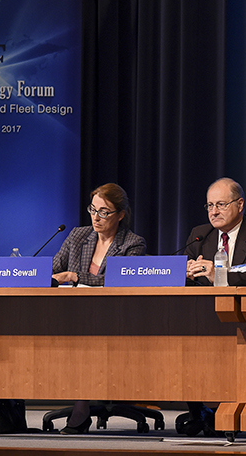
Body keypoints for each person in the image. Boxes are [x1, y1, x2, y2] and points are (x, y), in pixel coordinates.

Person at [181, 177, 246, 435]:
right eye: (210, 205)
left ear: (240, 204)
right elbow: (182, 273)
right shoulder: (199, 235)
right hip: (201, 318)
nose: (214, 211)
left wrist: (219, 276)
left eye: (221, 205)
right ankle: (199, 409)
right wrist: (187, 272)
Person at [51, 183, 146, 434]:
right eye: (93, 209)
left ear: (121, 214)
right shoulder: (77, 236)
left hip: (116, 316)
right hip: (73, 312)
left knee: (87, 336)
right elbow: (55, 269)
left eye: (104, 212)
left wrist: (75, 276)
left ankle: (81, 410)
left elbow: (120, 278)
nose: (96, 217)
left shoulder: (133, 244)